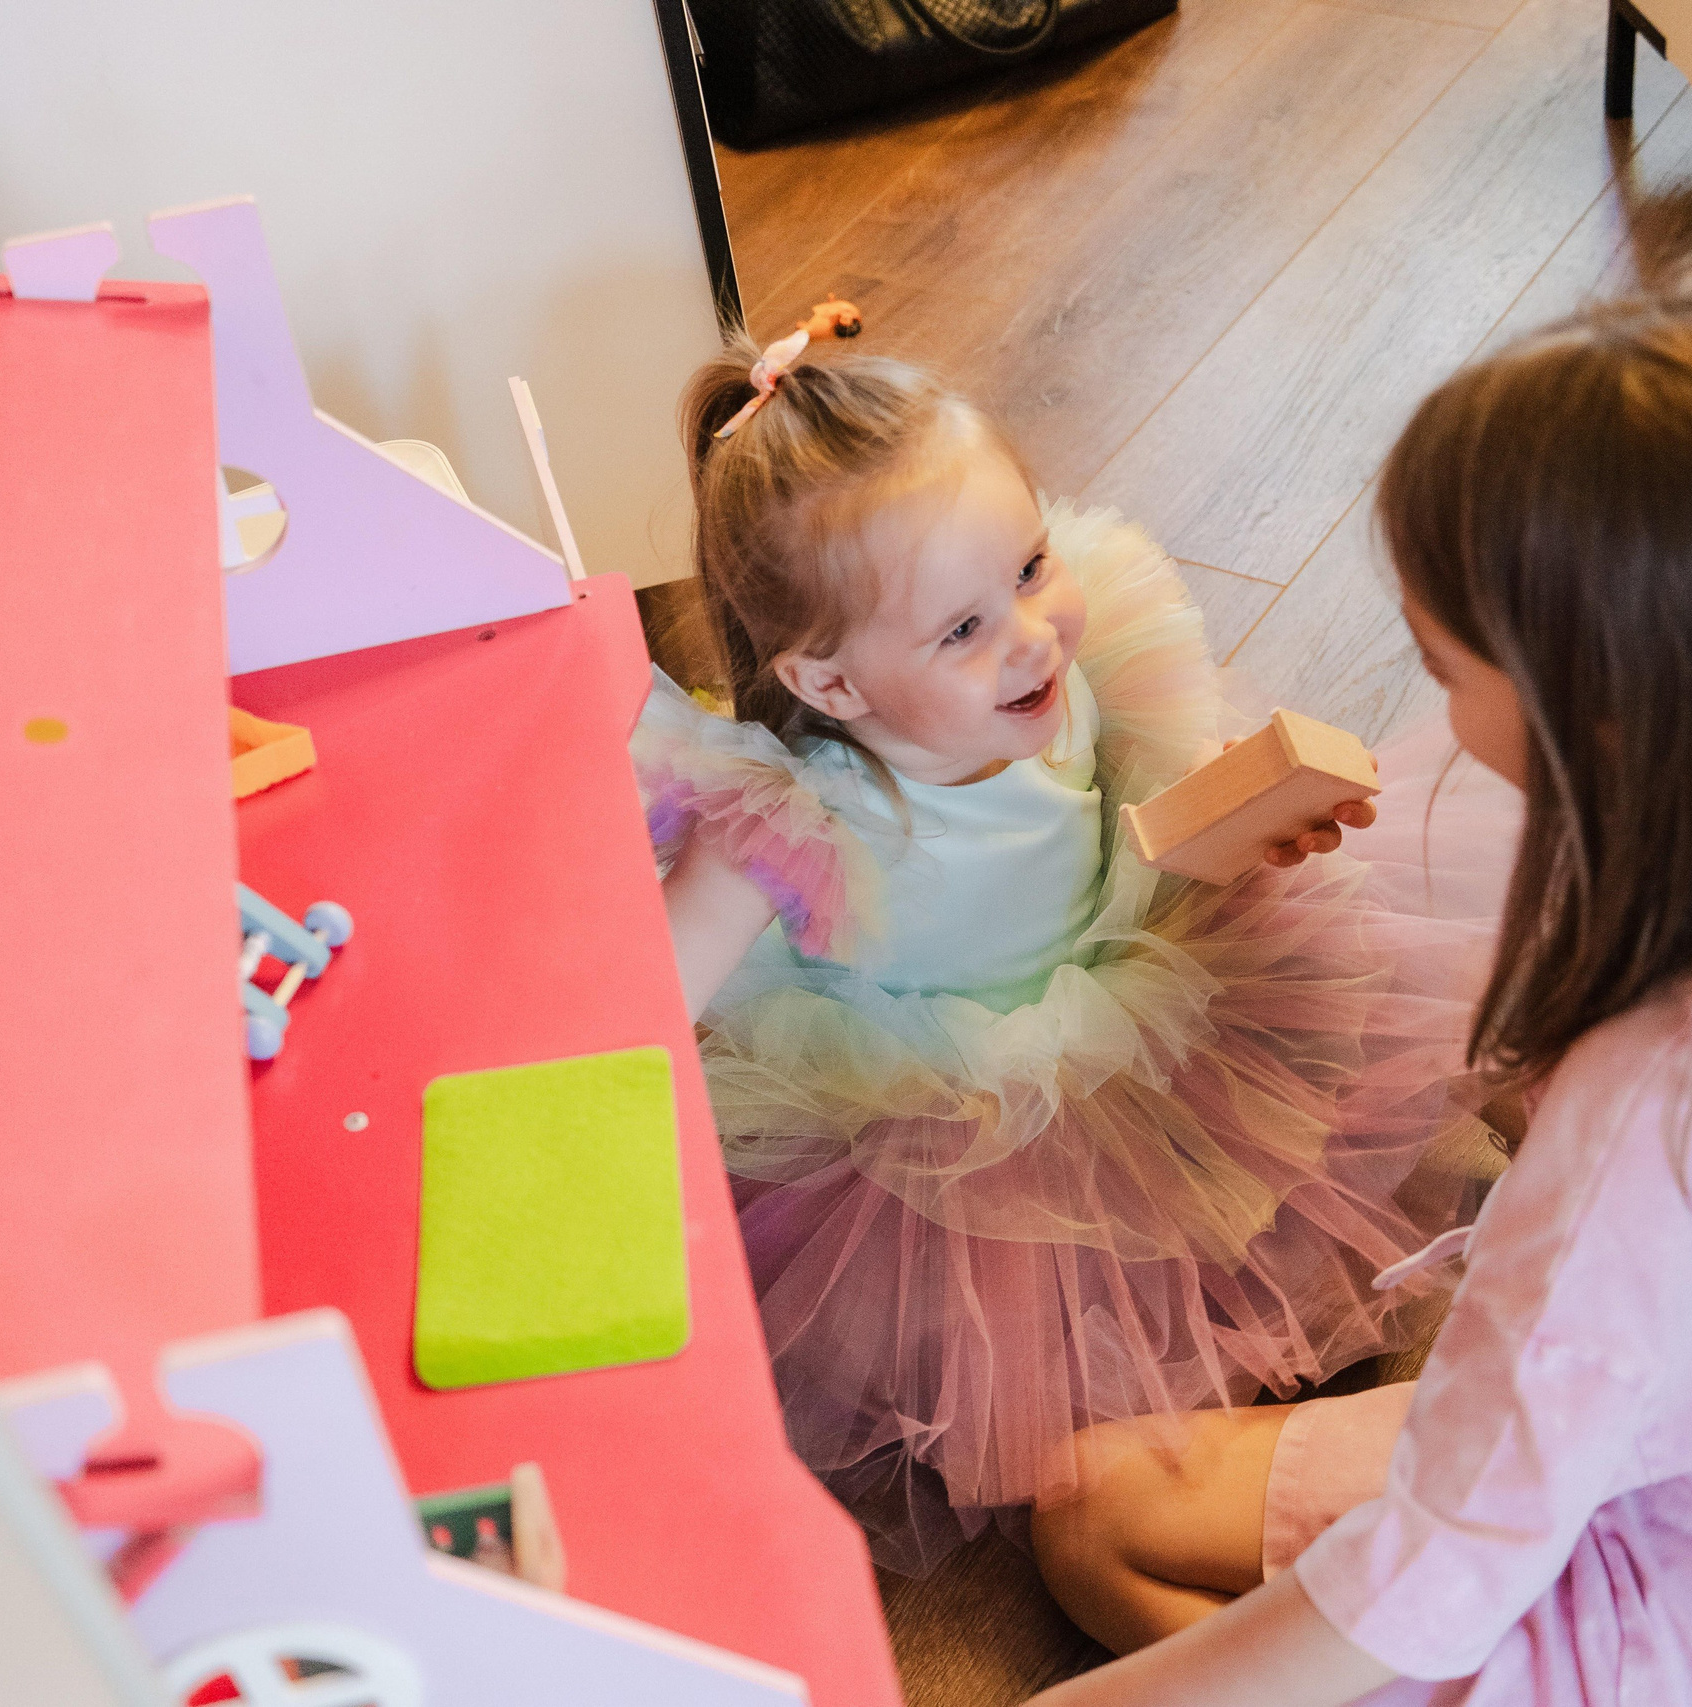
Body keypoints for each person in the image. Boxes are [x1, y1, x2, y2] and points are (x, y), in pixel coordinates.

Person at [1023, 263, 1692, 1703]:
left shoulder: (1651, 1140)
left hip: (1666, 1613)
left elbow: (1423, 1590)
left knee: (1092, 1517)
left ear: (1611, 715)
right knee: (1113, 1507)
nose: (1434, 704)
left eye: (1447, 660)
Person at [639, 304, 1520, 1572]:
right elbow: (642, 1004)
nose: (1032, 632)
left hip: (1135, 982)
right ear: (831, 687)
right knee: (1026, 1313)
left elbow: (1137, 799)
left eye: (1031, 566)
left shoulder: (1055, 660)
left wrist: (1243, 813)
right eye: (961, 629)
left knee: (1349, 1029)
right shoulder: (790, 818)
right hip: (952, 1115)